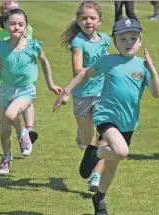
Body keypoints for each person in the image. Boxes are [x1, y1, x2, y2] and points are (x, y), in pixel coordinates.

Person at [53, 18, 159, 214]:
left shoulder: (142, 65)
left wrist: (153, 72)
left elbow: (156, 93)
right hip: (106, 117)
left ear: (139, 40)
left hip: (128, 123)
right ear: (115, 41)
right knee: (121, 151)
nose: (128, 42)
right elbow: (85, 73)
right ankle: (95, 153)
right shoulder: (108, 61)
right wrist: (67, 91)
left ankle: (100, 198)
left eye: (133, 38)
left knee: (111, 168)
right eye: (123, 39)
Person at [0, 8, 62, 174]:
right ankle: (6, 158)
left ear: (26, 28)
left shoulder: (33, 45)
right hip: (6, 91)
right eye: (12, 24)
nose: (16, 27)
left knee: (11, 115)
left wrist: (50, 84)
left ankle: (22, 134)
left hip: (26, 91)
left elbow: (44, 62)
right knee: (4, 133)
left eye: (21, 24)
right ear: (5, 26)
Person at [60, 1, 111, 192]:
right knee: (87, 142)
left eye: (92, 18)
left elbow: (107, 58)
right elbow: (77, 69)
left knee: (103, 135)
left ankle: (96, 176)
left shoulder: (106, 39)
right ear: (79, 21)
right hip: (82, 94)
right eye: (84, 18)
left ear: (100, 21)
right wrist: (99, 68)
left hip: (102, 92)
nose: (88, 21)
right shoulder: (78, 42)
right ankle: (81, 136)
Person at [0, 1, 38, 144]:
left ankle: (29, 130)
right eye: (10, 12)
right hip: (3, 80)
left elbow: (27, 44)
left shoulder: (28, 28)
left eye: (18, 10)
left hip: (21, 77)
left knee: (27, 100)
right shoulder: (3, 37)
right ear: (5, 17)